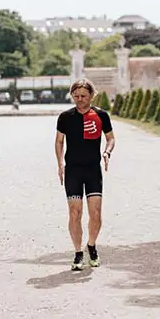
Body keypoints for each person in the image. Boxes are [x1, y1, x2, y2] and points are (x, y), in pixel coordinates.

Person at [55, 79, 115, 271]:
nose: (79, 99)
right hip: (73, 170)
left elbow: (111, 138)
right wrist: (60, 164)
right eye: (76, 96)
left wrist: (107, 152)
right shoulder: (65, 117)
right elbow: (59, 142)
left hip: (92, 170)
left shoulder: (101, 115)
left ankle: (91, 245)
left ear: (91, 96)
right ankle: (78, 252)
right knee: (75, 212)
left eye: (83, 96)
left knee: (95, 213)